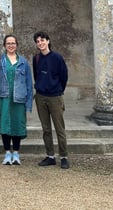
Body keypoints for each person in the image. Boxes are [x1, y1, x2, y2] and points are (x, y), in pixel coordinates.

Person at [0, 34, 34, 166]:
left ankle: (16, 153)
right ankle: (7, 153)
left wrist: (28, 103)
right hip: (4, 98)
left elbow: (29, 83)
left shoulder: (23, 62)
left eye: (13, 43)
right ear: (4, 45)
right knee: (5, 125)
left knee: (18, 125)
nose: (11, 45)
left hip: (19, 99)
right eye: (8, 43)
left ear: (17, 45)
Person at [32, 31, 70, 169]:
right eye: (38, 41)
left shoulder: (57, 58)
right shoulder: (36, 58)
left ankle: (64, 157)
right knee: (46, 129)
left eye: (42, 40)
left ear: (48, 41)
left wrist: (57, 89)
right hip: (41, 97)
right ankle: (50, 156)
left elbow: (64, 76)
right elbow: (36, 75)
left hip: (55, 97)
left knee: (60, 129)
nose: (40, 43)